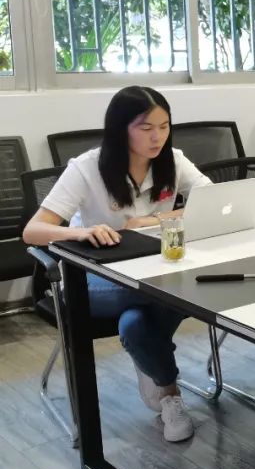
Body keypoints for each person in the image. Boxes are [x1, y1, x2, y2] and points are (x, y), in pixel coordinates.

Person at [22, 87, 210, 443]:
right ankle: (166, 384)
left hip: (153, 271)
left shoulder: (173, 160)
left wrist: (150, 222)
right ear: (120, 128)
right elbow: (33, 231)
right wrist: (83, 232)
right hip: (91, 280)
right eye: (146, 128)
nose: (157, 137)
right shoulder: (87, 168)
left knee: (135, 323)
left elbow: (210, 200)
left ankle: (162, 385)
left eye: (164, 126)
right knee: (177, 289)